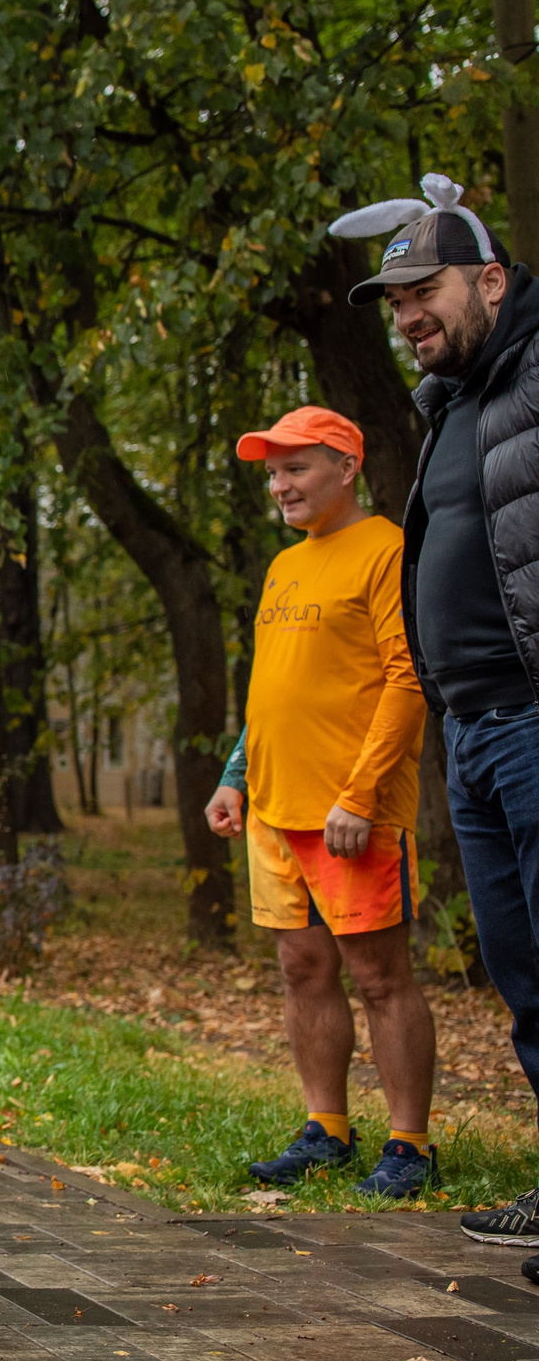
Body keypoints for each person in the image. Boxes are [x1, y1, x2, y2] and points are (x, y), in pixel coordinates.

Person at [334, 173, 539, 1246]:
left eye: (427, 291)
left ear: (491, 280)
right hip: (473, 733)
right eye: (396, 303)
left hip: (531, 718)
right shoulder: (457, 401)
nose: (410, 317)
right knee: (522, 970)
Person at [204, 407, 435, 1197]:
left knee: (380, 976)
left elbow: (408, 680)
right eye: (272, 472)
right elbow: (269, 692)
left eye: (295, 468)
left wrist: (361, 795)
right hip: (273, 812)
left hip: (352, 814)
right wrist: (236, 774)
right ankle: (326, 1129)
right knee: (303, 967)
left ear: (346, 467)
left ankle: (410, 1145)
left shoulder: (388, 551)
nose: (279, 486)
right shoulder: (282, 567)